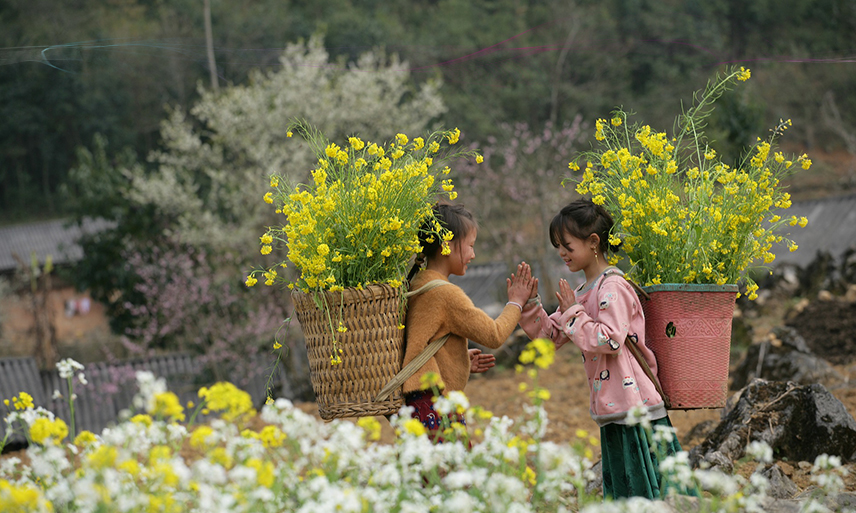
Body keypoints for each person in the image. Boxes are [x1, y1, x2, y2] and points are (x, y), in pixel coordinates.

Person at [517, 198, 685, 500]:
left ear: (593, 242)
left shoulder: (613, 287)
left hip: (636, 405)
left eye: (567, 246)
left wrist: (572, 314)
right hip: (612, 404)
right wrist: (529, 304)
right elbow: (550, 339)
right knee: (626, 489)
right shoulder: (583, 293)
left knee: (649, 492)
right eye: (558, 246)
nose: (561, 253)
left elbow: (610, 339)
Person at [402, 203, 535, 443]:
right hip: (436, 404)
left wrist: (457, 360)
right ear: (447, 245)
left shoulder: (418, 283)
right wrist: (516, 302)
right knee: (449, 476)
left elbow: (423, 343)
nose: (473, 255)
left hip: (417, 403)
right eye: (470, 246)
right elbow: (494, 335)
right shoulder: (446, 294)